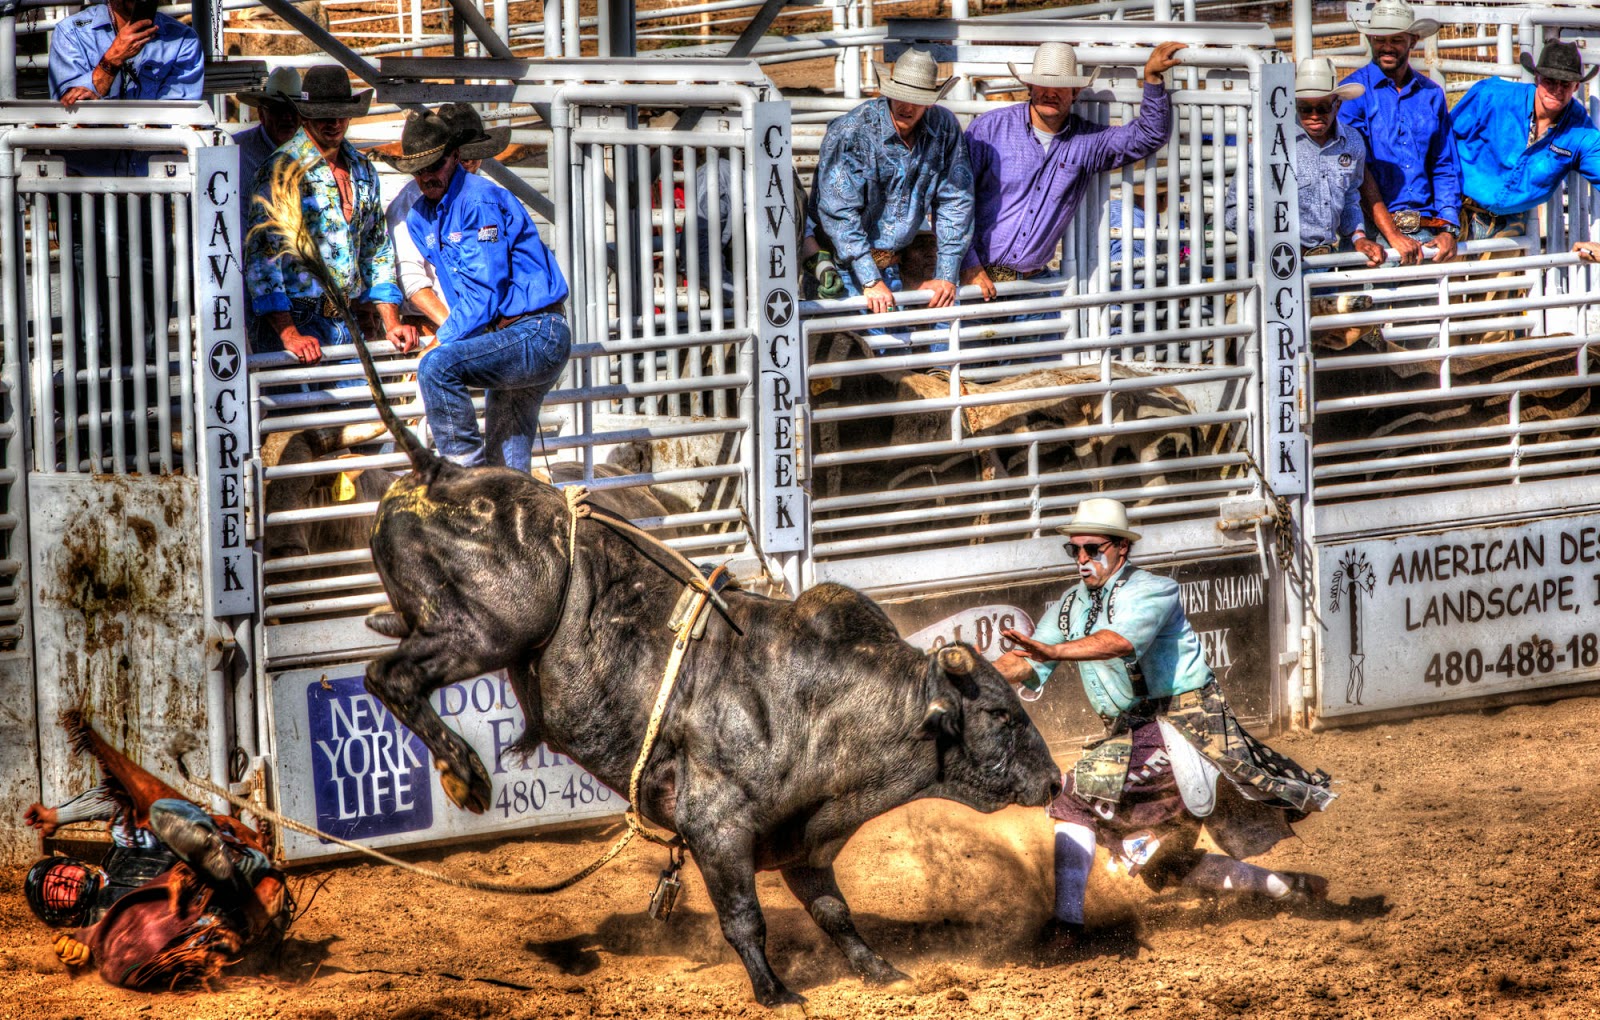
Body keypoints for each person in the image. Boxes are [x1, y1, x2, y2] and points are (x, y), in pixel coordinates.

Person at [993, 498, 1336, 955]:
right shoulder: (1073, 605)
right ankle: (1287, 888)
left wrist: (1051, 652)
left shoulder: (1154, 591)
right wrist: (972, 676)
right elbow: (1024, 659)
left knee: (1076, 795)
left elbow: (1116, 642)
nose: (1081, 559)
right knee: (1160, 863)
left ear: (1120, 550)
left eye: (1091, 548)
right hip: (1139, 732)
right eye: (1072, 550)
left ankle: (1068, 929)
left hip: (1184, 725)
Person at [23, 712, 288, 988]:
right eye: (55, 892)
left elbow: (113, 801)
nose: (63, 882)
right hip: (224, 925)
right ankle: (223, 922)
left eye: (59, 874)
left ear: (75, 864)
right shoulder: (97, 928)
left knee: (159, 811)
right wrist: (81, 955)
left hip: (233, 877)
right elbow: (97, 952)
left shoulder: (122, 851)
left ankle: (213, 859)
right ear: (62, 915)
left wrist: (58, 815)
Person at [394, 109, 571, 472]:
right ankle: (499, 500)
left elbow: (484, 292)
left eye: (435, 164)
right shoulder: (419, 218)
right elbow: (470, 292)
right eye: (420, 169)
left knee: (436, 366)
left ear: (455, 157)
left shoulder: (478, 200)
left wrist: (444, 338)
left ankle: (466, 478)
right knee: (506, 463)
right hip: (515, 336)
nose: (427, 176)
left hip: (534, 331)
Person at [962, 41, 1183, 309]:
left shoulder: (1087, 142)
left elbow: (1149, 135)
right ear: (1030, 87)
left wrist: (1151, 78)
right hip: (973, 280)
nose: (1051, 93)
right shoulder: (990, 129)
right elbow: (952, 200)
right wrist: (969, 266)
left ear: (1075, 91)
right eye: (1042, 84)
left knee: (1044, 350)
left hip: (1032, 288)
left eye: (1061, 86)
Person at [244, 65, 413, 363]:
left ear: (349, 114)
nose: (333, 123)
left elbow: (376, 249)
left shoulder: (362, 169)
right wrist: (288, 333)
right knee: (301, 408)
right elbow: (263, 258)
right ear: (306, 115)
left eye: (339, 113)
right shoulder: (280, 170)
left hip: (345, 317)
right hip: (295, 318)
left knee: (357, 406)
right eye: (323, 114)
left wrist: (391, 321)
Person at [809, 47, 974, 345]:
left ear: (930, 101)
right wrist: (871, 279)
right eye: (901, 94)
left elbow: (955, 199)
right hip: (850, 269)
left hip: (897, 261)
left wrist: (947, 272)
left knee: (900, 356)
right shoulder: (851, 131)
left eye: (919, 99)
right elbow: (838, 211)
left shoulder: (944, 127)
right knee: (866, 363)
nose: (907, 106)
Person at [1337, 0, 1460, 266]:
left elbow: (1443, 164)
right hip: (1371, 231)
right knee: (1368, 305)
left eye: (1396, 39)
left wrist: (1448, 227)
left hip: (1424, 228)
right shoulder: (1353, 93)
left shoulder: (1432, 94)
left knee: (1425, 306)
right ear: (1370, 38)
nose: (1387, 47)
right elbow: (1357, 171)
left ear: (1412, 40)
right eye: (1381, 39)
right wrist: (1392, 234)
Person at [1451, 40, 1600, 242]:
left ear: (1575, 87)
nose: (1557, 89)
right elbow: (1443, 142)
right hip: (1456, 206)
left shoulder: (1580, 132)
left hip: (1511, 223)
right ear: (1537, 78)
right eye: (1550, 81)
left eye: (1565, 84)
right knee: (1445, 270)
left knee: (1505, 271)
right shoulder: (1492, 96)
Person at [382, 102, 510, 331]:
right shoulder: (412, 204)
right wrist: (457, 329)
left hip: (478, 322)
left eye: (475, 155)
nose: (469, 162)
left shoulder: (486, 194)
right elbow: (412, 279)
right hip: (435, 323)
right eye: (463, 156)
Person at [48, 0, 202, 110]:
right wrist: (113, 58)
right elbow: (67, 111)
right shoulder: (70, 32)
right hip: (94, 154)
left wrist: (110, 123)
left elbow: (178, 117)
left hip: (154, 155)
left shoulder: (183, 39)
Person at [234, 67, 303, 197]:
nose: (287, 117)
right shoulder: (236, 151)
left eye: (294, 110)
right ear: (261, 114)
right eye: (278, 109)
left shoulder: (313, 152)